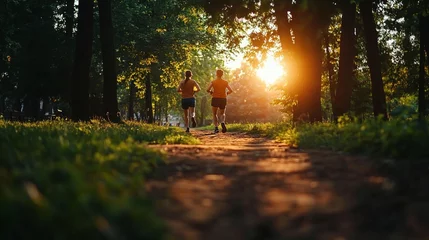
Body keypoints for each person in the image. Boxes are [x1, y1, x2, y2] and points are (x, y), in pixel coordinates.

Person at [206, 69, 233, 133]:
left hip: (215, 98)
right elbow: (231, 90)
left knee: (214, 114)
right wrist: (227, 93)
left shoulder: (213, 82)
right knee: (222, 113)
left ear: (216, 74)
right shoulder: (225, 82)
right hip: (223, 99)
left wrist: (211, 92)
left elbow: (207, 89)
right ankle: (222, 122)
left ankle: (216, 128)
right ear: (222, 75)